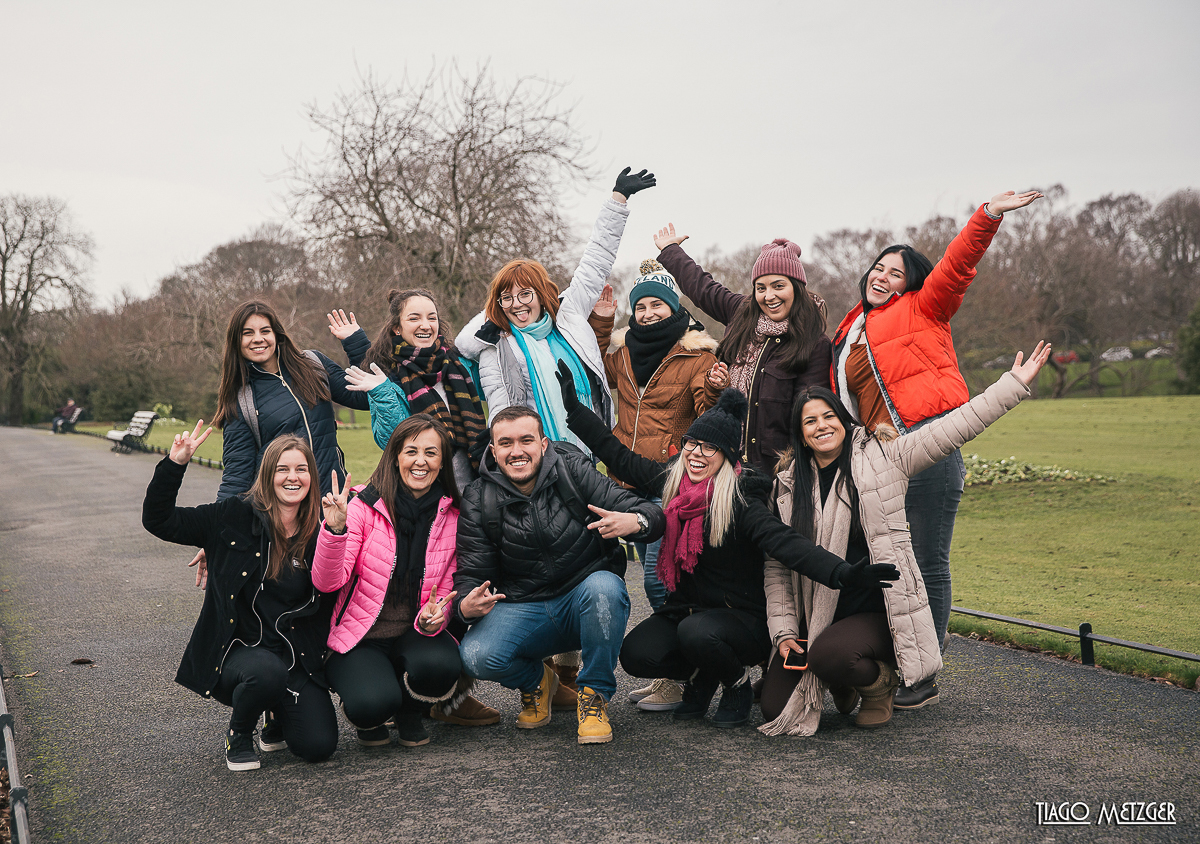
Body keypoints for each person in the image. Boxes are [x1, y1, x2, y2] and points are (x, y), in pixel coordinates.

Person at [556, 367, 899, 728]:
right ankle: (702, 675)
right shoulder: (677, 479)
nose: (697, 454)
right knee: (637, 654)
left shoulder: (743, 500)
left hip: (743, 619)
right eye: (692, 443)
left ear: (728, 457)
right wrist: (576, 412)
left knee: (700, 634)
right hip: (689, 611)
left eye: (710, 448)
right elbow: (622, 458)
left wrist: (843, 573)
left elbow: (785, 544)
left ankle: (735, 683)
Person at [759, 343, 1052, 736]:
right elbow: (778, 566)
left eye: (829, 415)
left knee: (830, 656)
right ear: (800, 433)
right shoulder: (788, 486)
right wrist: (782, 632)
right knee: (774, 707)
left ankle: (877, 683)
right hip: (816, 611)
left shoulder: (885, 457)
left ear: (844, 420)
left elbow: (951, 428)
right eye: (810, 421)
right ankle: (839, 676)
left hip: (877, 608)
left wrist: (1012, 384)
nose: (821, 426)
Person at [828, 189, 1044, 708]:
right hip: (878, 460)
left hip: (929, 445)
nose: (882, 277)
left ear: (912, 284)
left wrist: (987, 216)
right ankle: (891, 654)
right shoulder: (850, 329)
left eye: (895, 272)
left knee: (926, 560)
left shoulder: (925, 307)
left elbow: (956, 266)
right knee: (887, 562)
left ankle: (923, 672)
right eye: (878, 268)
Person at [454, 166, 656, 703]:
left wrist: (617, 200)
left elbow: (596, 259)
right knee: (539, 557)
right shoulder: (497, 345)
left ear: (545, 293)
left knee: (584, 561)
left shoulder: (569, 317)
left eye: (527, 294)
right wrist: (492, 318)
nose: (521, 304)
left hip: (584, 459)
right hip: (532, 463)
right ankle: (541, 676)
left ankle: (576, 677)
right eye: (509, 297)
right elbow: (464, 350)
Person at [452, 405, 665, 745]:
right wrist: (464, 606)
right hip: (525, 607)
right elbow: (471, 572)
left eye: (526, 440)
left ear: (544, 444)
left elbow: (651, 513)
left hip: (585, 599)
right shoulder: (479, 497)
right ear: (493, 450)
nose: (517, 451)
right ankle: (538, 682)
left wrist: (635, 522)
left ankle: (594, 695)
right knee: (476, 655)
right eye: (505, 443)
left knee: (605, 588)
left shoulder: (573, 471)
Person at [142, 429, 338, 771]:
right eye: (282, 469)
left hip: (295, 657)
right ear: (267, 474)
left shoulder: (320, 529)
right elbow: (159, 520)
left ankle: (276, 715)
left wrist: (339, 529)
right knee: (266, 672)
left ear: (312, 476)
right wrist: (175, 464)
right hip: (239, 654)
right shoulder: (232, 516)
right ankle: (240, 732)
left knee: (318, 746)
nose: (292, 477)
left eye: (301, 469)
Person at [587, 262, 728, 711]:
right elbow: (589, 364)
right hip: (626, 480)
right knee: (653, 579)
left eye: (657, 305)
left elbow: (709, 419)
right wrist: (604, 323)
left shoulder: (698, 356)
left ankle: (680, 674)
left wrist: (718, 390)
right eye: (641, 306)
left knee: (658, 577)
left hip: (670, 484)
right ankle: (676, 669)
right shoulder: (624, 352)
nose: (647, 313)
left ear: (675, 308)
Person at [312, 414, 493, 748]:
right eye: (411, 451)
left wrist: (435, 617)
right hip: (361, 635)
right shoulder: (361, 506)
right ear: (395, 457)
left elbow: (450, 591)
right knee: (371, 704)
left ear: (442, 463)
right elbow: (327, 583)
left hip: (416, 631)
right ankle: (376, 710)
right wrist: (335, 531)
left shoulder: (454, 516)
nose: (420, 461)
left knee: (441, 665)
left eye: (431, 452)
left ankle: (411, 710)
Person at [652, 225, 832, 474]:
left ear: (796, 288)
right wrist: (671, 251)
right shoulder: (742, 313)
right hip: (724, 463)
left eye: (778, 286)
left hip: (776, 472)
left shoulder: (814, 343)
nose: (769, 296)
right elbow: (702, 288)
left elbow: (808, 413)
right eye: (761, 288)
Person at [213, 300, 371, 501]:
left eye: (265, 331)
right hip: (286, 515)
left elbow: (364, 397)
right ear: (236, 340)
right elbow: (237, 475)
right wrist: (220, 525)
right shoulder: (241, 401)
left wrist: (356, 344)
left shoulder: (313, 364)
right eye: (247, 333)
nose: (258, 339)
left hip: (334, 503)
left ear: (276, 334)